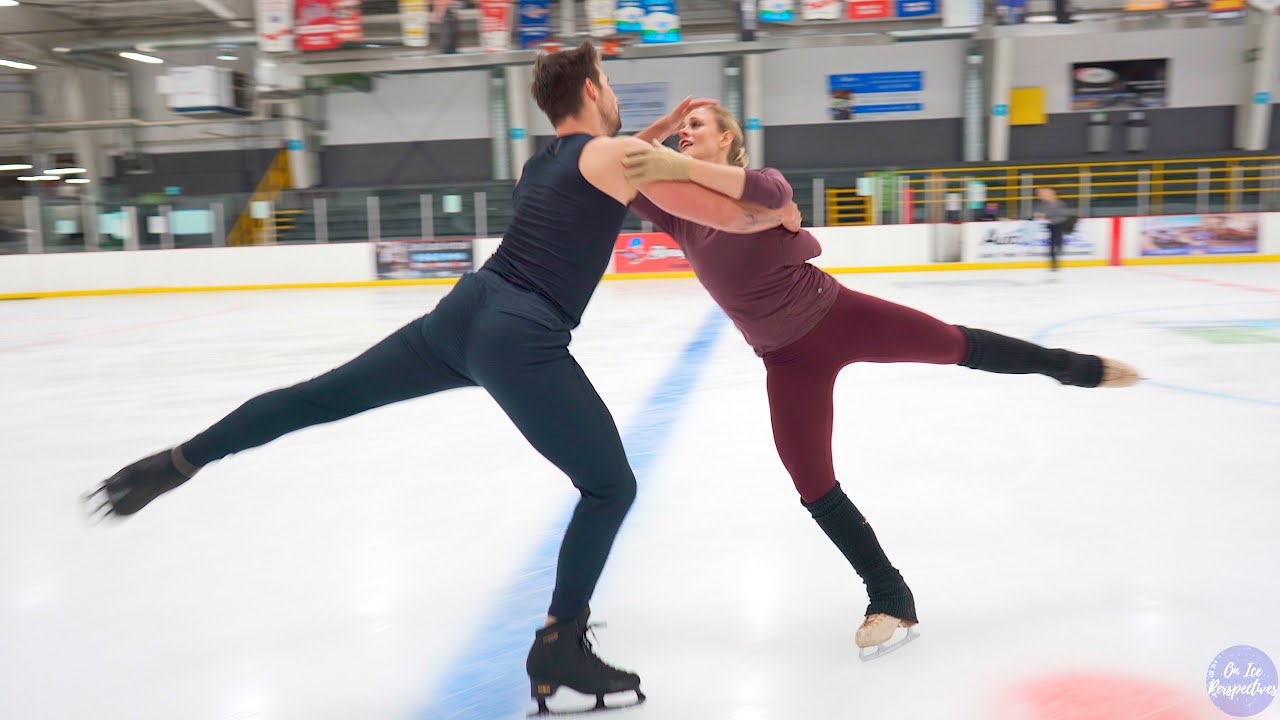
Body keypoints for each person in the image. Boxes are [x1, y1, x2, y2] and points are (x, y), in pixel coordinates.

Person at [84, 43, 788, 714]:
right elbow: (736, 211)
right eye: (607, 86)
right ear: (592, 91)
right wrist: (779, 208)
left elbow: (600, 160)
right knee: (611, 486)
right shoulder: (617, 155)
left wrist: (653, 136)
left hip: (463, 315)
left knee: (319, 398)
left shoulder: (537, 163)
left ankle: (178, 461)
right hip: (522, 334)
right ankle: (559, 643)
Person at [621, 105, 1140, 660]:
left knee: (954, 345)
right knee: (811, 482)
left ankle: (1072, 367)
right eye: (682, 127)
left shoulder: (764, 185)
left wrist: (666, 159)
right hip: (786, 360)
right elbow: (622, 164)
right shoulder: (679, 214)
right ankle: (889, 593)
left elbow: (767, 195)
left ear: (727, 139)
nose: (684, 132)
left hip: (840, 316)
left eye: (696, 124)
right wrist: (658, 138)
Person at [1031, 186, 1072, 272]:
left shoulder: (1059, 203)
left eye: (1042, 194)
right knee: (1052, 245)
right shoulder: (1044, 204)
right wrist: (1038, 215)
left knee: (1056, 242)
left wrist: (1044, 215)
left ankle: (1057, 255)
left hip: (1060, 224)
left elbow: (1060, 214)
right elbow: (1038, 214)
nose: (1041, 196)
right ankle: (1054, 263)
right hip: (1053, 225)